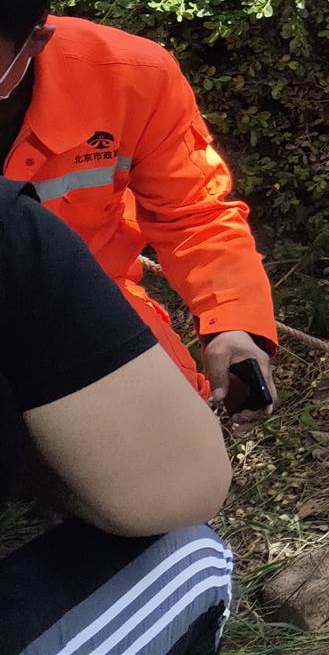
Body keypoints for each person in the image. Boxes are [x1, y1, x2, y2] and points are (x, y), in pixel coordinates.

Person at [0, 0, 277, 418]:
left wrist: (234, 324)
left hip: (87, 302)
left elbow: (195, 213)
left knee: (177, 432)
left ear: (36, 40)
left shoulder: (132, 80)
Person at [1, 176, 235, 654]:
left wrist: (232, 320)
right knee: (194, 557)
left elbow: (194, 208)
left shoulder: (143, 109)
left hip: (95, 310)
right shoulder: (13, 232)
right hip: (60, 302)